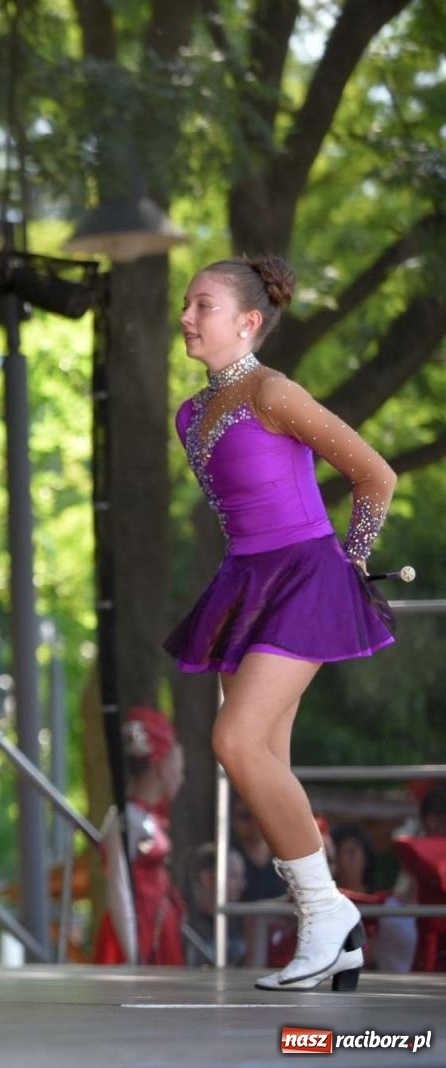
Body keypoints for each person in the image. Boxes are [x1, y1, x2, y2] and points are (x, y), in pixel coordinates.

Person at [163, 255, 396, 993]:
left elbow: (375, 476)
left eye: (203, 305)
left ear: (248, 322)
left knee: (234, 740)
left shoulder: (274, 391)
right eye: (187, 304)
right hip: (245, 584)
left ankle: (328, 912)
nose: (186, 317)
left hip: (305, 576)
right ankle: (331, 934)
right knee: (260, 760)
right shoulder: (190, 414)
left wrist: (352, 562)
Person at [94, 706, 186, 965]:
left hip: (154, 929)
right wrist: (133, 955)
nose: (181, 775)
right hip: (137, 935)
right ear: (160, 765)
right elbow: (118, 889)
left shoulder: (146, 817)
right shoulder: (125, 819)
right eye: (177, 764)